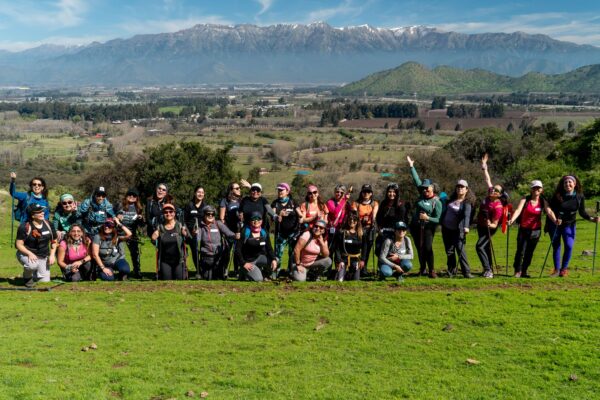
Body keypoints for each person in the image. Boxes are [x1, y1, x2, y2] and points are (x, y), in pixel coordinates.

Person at [546, 175, 599, 277]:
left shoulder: (579, 196)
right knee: (556, 246)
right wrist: (555, 219)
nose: (568, 184)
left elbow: (582, 212)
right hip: (555, 224)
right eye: (565, 182)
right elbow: (549, 209)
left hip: (569, 224)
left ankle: (563, 269)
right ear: (563, 185)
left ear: (575, 184)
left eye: (570, 182)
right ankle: (556, 270)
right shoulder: (558, 195)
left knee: (569, 246)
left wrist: (592, 219)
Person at [509, 180, 557, 278]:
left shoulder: (543, 201)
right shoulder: (525, 200)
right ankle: (517, 270)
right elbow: (518, 210)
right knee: (520, 251)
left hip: (536, 231)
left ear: (541, 190)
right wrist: (512, 220)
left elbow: (549, 211)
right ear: (531, 189)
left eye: (538, 188)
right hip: (523, 229)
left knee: (529, 252)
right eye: (534, 188)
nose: (536, 190)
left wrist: (555, 220)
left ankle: (524, 271)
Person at [407, 156, 442, 278]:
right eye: (424, 187)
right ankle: (422, 269)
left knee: (427, 248)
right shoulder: (421, 195)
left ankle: (432, 270)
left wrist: (427, 218)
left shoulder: (436, 202)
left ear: (432, 188)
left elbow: (438, 219)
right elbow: (416, 180)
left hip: (428, 228)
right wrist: (411, 166)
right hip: (416, 227)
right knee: (419, 248)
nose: (425, 189)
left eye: (427, 187)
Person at [475, 154, 504, 278]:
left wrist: (490, 224)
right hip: (481, 225)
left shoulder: (498, 207)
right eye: (493, 189)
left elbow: (495, 224)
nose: (493, 190)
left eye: (496, 191)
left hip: (489, 228)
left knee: (479, 246)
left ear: (499, 195)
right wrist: (484, 166)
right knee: (485, 247)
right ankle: (488, 268)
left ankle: (488, 270)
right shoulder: (489, 195)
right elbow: (488, 180)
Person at [15, 204, 57, 288]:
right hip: (26, 254)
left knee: (44, 281)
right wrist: (29, 253)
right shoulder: (24, 227)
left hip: (43, 255)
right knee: (32, 265)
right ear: (32, 215)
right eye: (39, 212)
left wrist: (52, 255)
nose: (42, 213)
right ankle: (27, 278)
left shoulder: (49, 224)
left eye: (42, 211)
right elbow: (18, 244)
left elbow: (54, 241)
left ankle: (34, 273)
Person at [440, 179, 475, 278]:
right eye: (458, 187)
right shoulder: (451, 200)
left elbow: (467, 215)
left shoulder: (467, 202)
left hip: (457, 230)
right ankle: (451, 271)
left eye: (462, 187)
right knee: (449, 251)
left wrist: (466, 227)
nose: (460, 189)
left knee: (460, 250)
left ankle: (466, 272)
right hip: (446, 229)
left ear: (466, 189)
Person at [151, 203, 190, 280]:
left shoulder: (180, 226)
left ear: (174, 213)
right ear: (163, 214)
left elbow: (189, 240)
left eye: (171, 211)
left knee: (180, 280)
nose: (168, 213)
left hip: (179, 260)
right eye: (166, 212)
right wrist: (153, 239)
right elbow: (156, 244)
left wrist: (186, 234)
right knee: (166, 280)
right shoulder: (160, 227)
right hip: (165, 261)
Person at [235, 212, 278, 282]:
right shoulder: (245, 232)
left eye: (259, 219)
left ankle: (265, 275)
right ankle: (242, 271)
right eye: (253, 219)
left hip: (259, 257)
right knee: (258, 279)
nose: (256, 221)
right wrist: (243, 263)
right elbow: (237, 249)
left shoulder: (264, 233)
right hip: (248, 261)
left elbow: (269, 248)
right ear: (250, 221)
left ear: (262, 221)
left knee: (277, 261)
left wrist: (273, 259)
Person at [197, 205, 236, 280]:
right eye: (208, 214)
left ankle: (222, 271)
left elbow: (228, 233)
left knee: (218, 277)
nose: (210, 215)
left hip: (219, 256)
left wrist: (235, 235)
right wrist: (195, 233)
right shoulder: (200, 226)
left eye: (213, 214)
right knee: (207, 277)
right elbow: (197, 239)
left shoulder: (218, 224)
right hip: (206, 256)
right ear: (204, 215)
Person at [271, 182, 300, 276]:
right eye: (278, 190)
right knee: (278, 254)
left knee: (292, 254)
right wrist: (279, 215)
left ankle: (290, 272)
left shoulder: (293, 202)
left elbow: (300, 215)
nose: (279, 191)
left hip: (293, 233)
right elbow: (273, 217)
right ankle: (276, 272)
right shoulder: (275, 203)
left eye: (282, 190)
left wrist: (303, 218)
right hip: (280, 234)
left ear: (287, 191)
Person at [116, 188, 145, 279]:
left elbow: (142, 224)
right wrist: (117, 217)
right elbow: (112, 216)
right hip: (120, 233)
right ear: (126, 196)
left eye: (134, 196)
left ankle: (137, 271)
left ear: (137, 198)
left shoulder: (138, 208)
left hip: (132, 234)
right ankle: (123, 273)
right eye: (130, 195)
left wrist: (141, 219)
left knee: (135, 253)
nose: (132, 197)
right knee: (121, 253)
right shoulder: (120, 205)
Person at [376, 183, 409, 258]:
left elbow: (402, 221)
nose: (391, 194)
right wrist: (379, 228)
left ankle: (391, 267)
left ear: (397, 193)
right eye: (390, 192)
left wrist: (398, 233)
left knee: (391, 252)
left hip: (395, 233)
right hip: (383, 232)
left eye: (394, 192)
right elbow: (379, 217)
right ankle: (381, 267)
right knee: (379, 249)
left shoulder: (400, 205)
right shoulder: (383, 203)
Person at [350, 184, 378, 273]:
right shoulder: (355, 203)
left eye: (368, 192)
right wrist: (361, 220)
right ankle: (355, 266)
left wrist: (372, 219)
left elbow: (374, 215)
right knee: (357, 248)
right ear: (361, 193)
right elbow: (354, 215)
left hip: (370, 228)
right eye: (364, 191)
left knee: (368, 249)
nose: (366, 193)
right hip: (359, 228)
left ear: (371, 193)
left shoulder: (374, 203)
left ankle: (364, 267)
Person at [333, 212, 366, 281]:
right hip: (343, 260)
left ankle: (350, 275)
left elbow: (364, 247)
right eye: (350, 219)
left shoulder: (362, 233)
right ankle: (339, 273)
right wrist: (339, 261)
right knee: (340, 280)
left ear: (357, 221)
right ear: (347, 220)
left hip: (356, 260)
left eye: (354, 220)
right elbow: (337, 248)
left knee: (356, 281)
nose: (352, 221)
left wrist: (362, 260)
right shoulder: (342, 232)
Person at [219, 182, 244, 277]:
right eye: (237, 188)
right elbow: (222, 218)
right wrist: (226, 231)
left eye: (239, 188)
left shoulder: (241, 201)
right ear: (231, 190)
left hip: (239, 230)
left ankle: (237, 271)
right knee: (227, 251)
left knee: (238, 251)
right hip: (229, 230)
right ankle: (225, 270)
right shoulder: (225, 201)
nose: (239, 189)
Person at [184, 185, 207, 277]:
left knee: (204, 251)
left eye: (202, 192)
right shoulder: (189, 205)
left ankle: (204, 269)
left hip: (203, 232)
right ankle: (198, 270)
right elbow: (184, 220)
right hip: (191, 233)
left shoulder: (205, 206)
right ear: (194, 193)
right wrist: (187, 231)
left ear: (204, 194)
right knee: (195, 251)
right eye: (198, 192)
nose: (200, 194)